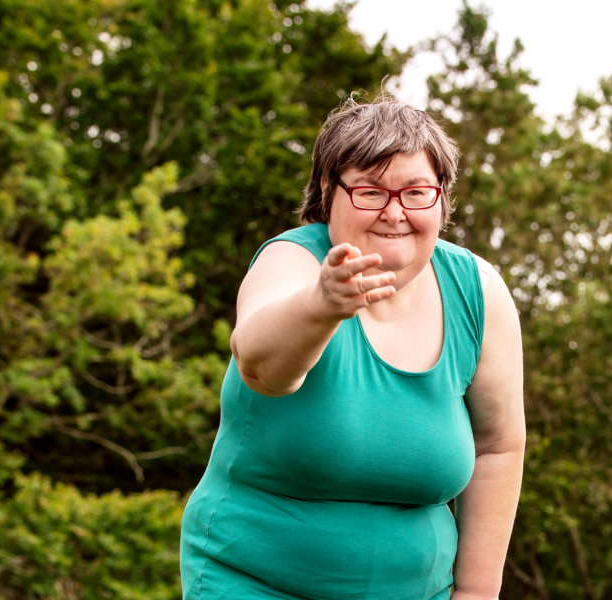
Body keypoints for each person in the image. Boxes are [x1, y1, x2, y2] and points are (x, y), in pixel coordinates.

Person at [180, 96, 525, 600]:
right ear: (328, 190)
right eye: (370, 191)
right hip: (255, 582)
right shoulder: (291, 261)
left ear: (443, 197)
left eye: (416, 192)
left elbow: (497, 448)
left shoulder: (480, 291)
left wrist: (475, 592)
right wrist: (321, 305)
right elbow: (261, 368)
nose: (394, 212)